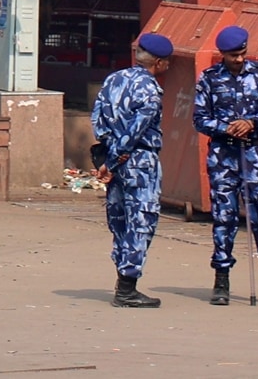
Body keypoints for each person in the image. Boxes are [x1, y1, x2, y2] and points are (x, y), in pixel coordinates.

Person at [193, 25, 258, 306]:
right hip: (223, 157)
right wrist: (227, 128)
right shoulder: (209, 79)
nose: (238, 60)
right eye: (233, 56)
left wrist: (251, 123)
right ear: (223, 55)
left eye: (242, 54)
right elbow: (200, 118)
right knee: (224, 218)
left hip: (253, 155)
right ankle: (221, 280)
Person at [91, 32, 170, 308]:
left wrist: (105, 158)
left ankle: (122, 282)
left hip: (113, 158)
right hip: (138, 162)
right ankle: (127, 288)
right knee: (141, 222)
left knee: (120, 222)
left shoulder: (114, 80)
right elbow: (134, 133)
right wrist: (113, 162)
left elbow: (98, 119)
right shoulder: (150, 90)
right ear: (158, 63)